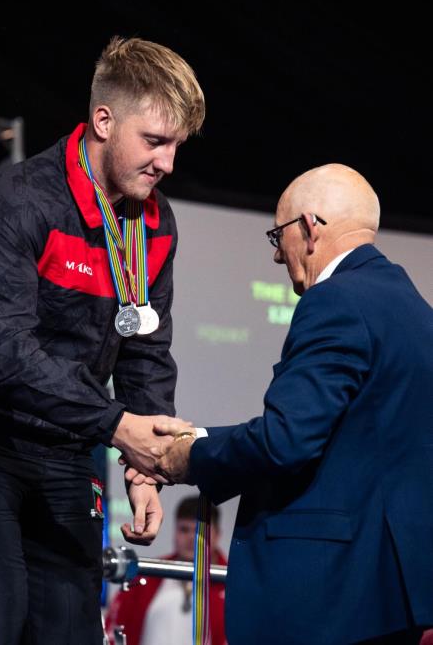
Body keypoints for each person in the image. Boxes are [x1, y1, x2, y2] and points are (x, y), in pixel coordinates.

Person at [0, 36, 204, 644]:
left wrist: (145, 471)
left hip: (61, 440)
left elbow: (143, 351)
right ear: (103, 120)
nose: (167, 163)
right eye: (155, 141)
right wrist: (120, 430)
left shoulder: (155, 223)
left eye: (176, 146)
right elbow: (5, 359)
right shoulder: (14, 204)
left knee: (69, 633)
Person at [155, 164, 433, 644]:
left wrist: (190, 453)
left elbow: (285, 441)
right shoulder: (418, 313)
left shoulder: (336, 301)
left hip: (331, 598)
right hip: (394, 600)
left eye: (275, 236)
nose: (276, 259)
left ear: (308, 227)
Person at [104, 495, 227, 645]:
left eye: (200, 532)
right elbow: (115, 628)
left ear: (217, 535)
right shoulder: (148, 574)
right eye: (184, 530)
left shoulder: (233, 583)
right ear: (174, 532)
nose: (191, 538)